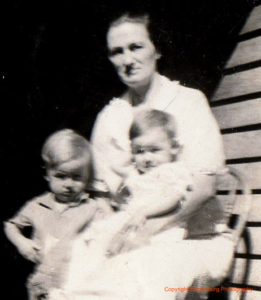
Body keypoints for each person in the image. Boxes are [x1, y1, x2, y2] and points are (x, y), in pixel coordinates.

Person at [49, 13, 234, 300]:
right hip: (129, 237)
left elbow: (203, 188)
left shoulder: (188, 102)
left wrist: (146, 230)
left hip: (196, 239)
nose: (127, 59)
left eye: (135, 47)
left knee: (144, 269)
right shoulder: (109, 118)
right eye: (116, 52)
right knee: (82, 263)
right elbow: (103, 199)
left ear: (156, 50)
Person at [4, 129, 111, 300]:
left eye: (76, 177)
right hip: (42, 283)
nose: (68, 184)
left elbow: (107, 235)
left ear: (87, 176)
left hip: (75, 284)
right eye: (61, 176)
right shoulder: (38, 205)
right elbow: (11, 225)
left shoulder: (92, 208)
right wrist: (22, 243)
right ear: (47, 174)